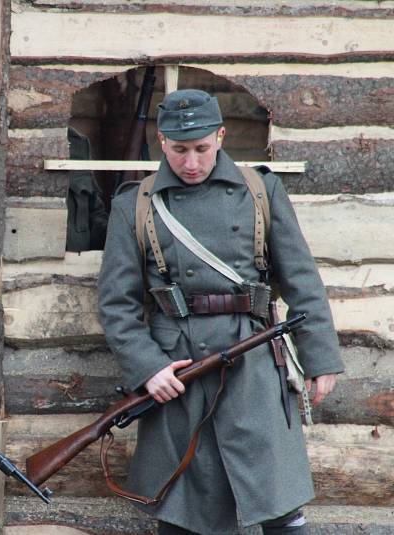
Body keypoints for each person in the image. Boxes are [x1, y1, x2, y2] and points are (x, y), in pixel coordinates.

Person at [98, 89, 343, 535]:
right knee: (182, 506)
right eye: (178, 150)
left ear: (221, 137)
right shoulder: (134, 203)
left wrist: (320, 357)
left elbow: (301, 279)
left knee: (278, 503)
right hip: (179, 370)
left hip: (253, 360)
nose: (190, 163)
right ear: (161, 142)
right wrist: (148, 368)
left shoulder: (260, 190)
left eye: (201, 149)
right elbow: (117, 304)